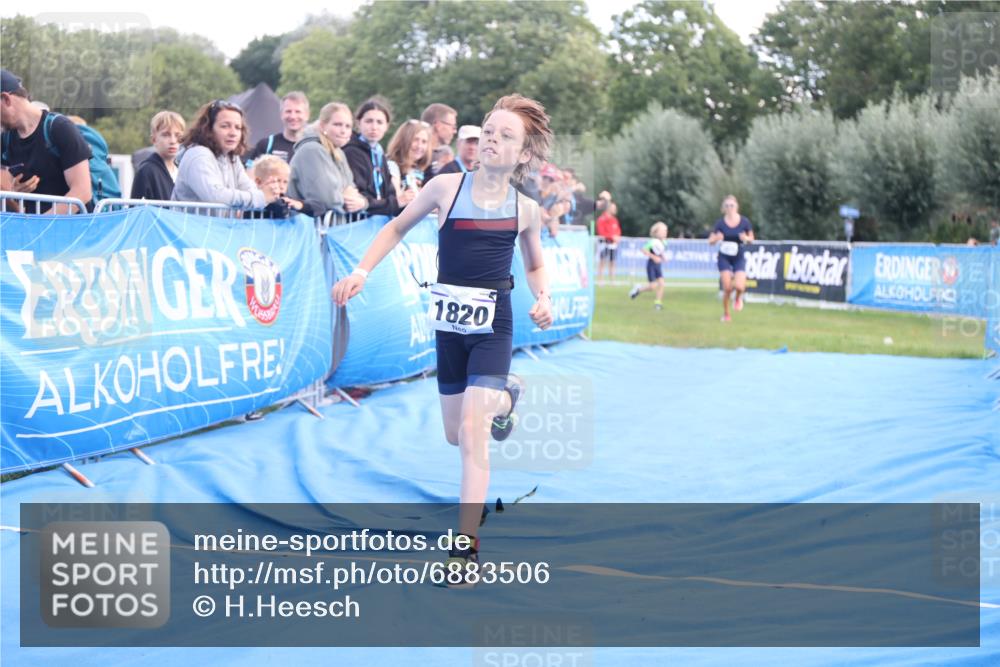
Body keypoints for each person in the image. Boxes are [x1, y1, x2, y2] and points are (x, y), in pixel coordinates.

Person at [332, 94, 554, 588]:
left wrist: (544, 298)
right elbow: (394, 227)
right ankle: (507, 394)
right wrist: (362, 271)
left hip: (493, 324)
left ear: (522, 155)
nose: (492, 138)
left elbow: (536, 263)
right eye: (488, 130)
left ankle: (465, 547)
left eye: (505, 134)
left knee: (473, 434)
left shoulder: (526, 210)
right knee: (455, 433)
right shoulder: (444, 188)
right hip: (450, 326)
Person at [0, 68, 92, 213]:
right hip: (35, 231)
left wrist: (42, 225)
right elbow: (7, 196)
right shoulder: (6, 138)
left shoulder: (59, 128)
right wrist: (14, 194)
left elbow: (82, 192)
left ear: (6, 99)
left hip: (72, 230)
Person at [172, 99, 277, 210]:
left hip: (211, 226)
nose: (233, 133)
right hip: (187, 226)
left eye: (238, 127)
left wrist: (269, 196)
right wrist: (262, 197)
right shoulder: (198, 155)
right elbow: (216, 196)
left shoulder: (232, 157)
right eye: (225, 126)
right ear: (208, 129)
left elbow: (248, 188)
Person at [288, 101, 366, 216]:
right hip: (308, 229)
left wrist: (361, 202)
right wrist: (344, 198)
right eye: (337, 124)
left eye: (348, 126)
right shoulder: (312, 150)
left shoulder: (338, 152)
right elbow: (325, 199)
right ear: (323, 126)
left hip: (330, 229)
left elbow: (353, 191)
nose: (343, 131)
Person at [342, 97, 400, 217]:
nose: (374, 127)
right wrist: (393, 203)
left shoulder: (379, 153)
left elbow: (390, 192)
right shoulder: (351, 151)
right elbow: (361, 196)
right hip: (358, 222)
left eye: (379, 122)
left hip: (378, 218)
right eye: (369, 121)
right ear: (358, 123)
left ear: (386, 126)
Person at [707, 195, 754, 322]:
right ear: (723, 208)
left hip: (738, 256)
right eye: (727, 206)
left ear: (737, 206)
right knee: (727, 288)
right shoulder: (720, 223)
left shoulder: (744, 222)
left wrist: (746, 239)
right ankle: (726, 314)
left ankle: (738, 298)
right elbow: (710, 241)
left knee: (740, 287)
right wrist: (716, 238)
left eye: (732, 205)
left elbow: (751, 239)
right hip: (724, 257)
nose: (729, 208)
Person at [245, 91, 310, 168]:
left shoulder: (315, 146)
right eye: (288, 111)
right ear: (281, 114)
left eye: (298, 112)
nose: (293, 116)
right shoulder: (267, 145)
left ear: (307, 115)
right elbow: (248, 168)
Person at [130, 110, 185, 201]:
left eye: (177, 135)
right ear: (154, 140)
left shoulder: (181, 170)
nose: (173, 141)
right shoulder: (146, 171)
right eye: (166, 135)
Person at [386, 119, 432, 209]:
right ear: (404, 140)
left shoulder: (417, 170)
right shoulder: (391, 165)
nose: (419, 146)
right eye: (415, 140)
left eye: (424, 142)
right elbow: (398, 201)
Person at [629, 221, 668, 310]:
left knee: (662, 284)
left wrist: (663, 257)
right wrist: (654, 257)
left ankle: (658, 303)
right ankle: (638, 289)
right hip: (651, 265)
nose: (665, 233)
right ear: (656, 232)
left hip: (658, 265)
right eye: (663, 231)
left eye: (666, 231)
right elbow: (644, 250)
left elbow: (660, 252)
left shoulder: (665, 242)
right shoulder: (653, 242)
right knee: (652, 286)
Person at [596, 201, 622, 282]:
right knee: (602, 261)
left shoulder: (614, 220)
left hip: (613, 244)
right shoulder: (601, 219)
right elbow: (601, 232)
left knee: (613, 261)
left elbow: (618, 230)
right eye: (613, 208)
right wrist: (612, 237)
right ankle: (600, 280)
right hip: (604, 243)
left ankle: (612, 280)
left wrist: (617, 237)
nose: (615, 210)